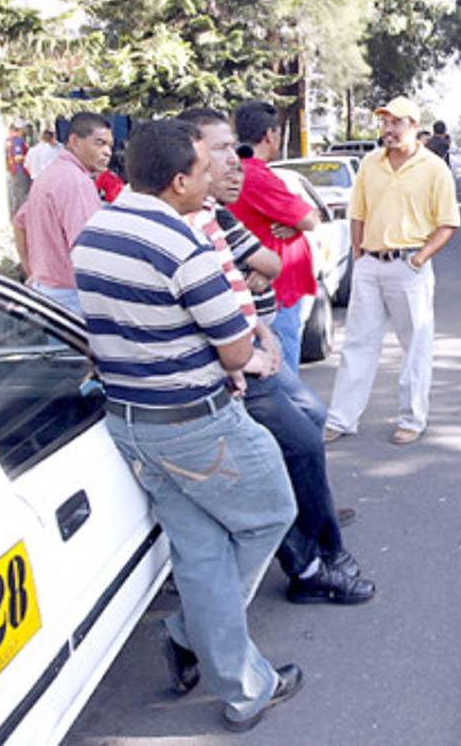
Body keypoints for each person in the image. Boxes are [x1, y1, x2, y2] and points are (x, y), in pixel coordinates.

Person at [72, 119, 301, 734]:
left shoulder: (95, 232)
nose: (215, 178)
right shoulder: (183, 245)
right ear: (178, 181)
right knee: (272, 512)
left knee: (200, 549)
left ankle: (242, 683)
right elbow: (234, 350)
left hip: (131, 423)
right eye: (205, 170)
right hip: (197, 425)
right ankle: (192, 633)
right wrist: (256, 350)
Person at [178, 108, 375, 605]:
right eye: (222, 149)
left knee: (308, 426)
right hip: (228, 373)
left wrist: (258, 318)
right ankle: (314, 562)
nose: (235, 161)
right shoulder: (181, 225)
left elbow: (260, 268)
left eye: (234, 148)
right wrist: (249, 352)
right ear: (189, 157)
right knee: (284, 456)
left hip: (251, 349)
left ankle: (317, 534)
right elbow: (220, 296)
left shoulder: (213, 213)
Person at [324, 96, 460, 446]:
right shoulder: (371, 163)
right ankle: (341, 419)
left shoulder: (434, 168)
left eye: (397, 123)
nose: (389, 129)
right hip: (370, 264)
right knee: (357, 344)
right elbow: (358, 213)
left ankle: (412, 420)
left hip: (409, 266)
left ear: (414, 126)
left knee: (415, 346)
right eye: (385, 123)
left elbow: (448, 223)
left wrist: (418, 259)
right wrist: (359, 256)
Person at [228, 102, 320, 373]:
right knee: (282, 373)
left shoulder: (243, 172)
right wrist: (298, 223)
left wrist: (295, 224)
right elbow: (311, 219)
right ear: (270, 135)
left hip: (271, 287)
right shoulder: (255, 175)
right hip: (274, 292)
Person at [12, 112, 112, 314]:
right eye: (99, 143)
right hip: (72, 296)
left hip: (45, 290)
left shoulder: (50, 174)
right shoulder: (76, 182)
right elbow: (89, 249)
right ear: (74, 141)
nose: (107, 152)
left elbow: (19, 222)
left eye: (109, 145)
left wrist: (32, 272)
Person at [6, 125, 30, 214]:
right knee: (22, 194)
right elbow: (18, 158)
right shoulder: (18, 141)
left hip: (13, 170)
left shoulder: (8, 141)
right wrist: (29, 157)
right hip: (20, 170)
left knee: (15, 194)